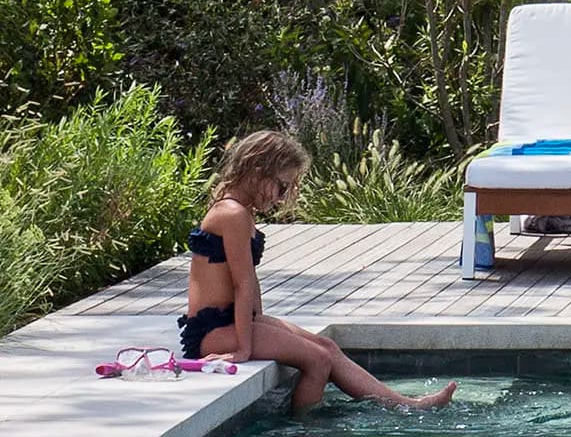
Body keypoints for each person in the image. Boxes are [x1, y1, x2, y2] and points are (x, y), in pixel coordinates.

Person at [181, 130, 455, 409]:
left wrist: (261, 323)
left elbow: (249, 280)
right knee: (318, 361)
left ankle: (406, 404)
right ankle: (302, 435)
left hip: (231, 321)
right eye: (281, 186)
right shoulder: (232, 214)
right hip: (214, 331)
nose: (281, 197)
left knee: (328, 347)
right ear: (257, 172)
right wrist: (243, 348)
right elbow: (242, 284)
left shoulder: (241, 210)